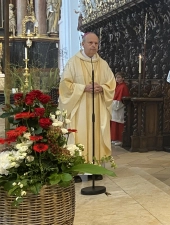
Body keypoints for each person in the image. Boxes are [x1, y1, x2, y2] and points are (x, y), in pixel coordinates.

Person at [59, 32, 116, 181]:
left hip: (97, 108)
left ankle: (95, 168)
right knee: (79, 136)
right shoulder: (73, 62)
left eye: (96, 43)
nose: (93, 46)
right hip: (79, 109)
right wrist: (82, 88)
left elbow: (111, 83)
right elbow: (65, 84)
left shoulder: (102, 64)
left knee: (96, 135)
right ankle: (77, 169)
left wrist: (102, 88)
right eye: (90, 43)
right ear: (82, 44)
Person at [111, 72, 130, 146]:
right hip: (114, 106)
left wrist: (114, 104)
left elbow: (122, 98)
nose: (117, 79)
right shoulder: (117, 86)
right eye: (116, 77)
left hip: (120, 107)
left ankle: (120, 139)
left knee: (119, 123)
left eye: (119, 77)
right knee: (114, 122)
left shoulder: (123, 87)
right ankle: (114, 138)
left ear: (123, 78)